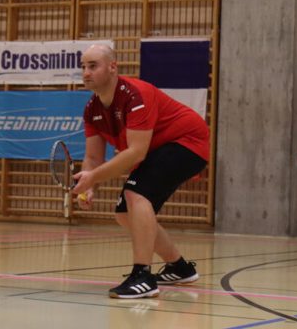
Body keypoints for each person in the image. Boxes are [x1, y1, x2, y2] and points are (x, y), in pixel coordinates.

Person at [72, 44, 210, 298]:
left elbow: (136, 153)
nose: (86, 73)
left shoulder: (135, 95)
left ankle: (143, 276)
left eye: (93, 66)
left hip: (188, 142)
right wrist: (89, 185)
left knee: (137, 195)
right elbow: (93, 157)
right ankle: (179, 268)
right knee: (125, 213)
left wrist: (94, 176)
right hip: (160, 149)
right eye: (83, 67)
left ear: (113, 67)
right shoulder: (92, 110)